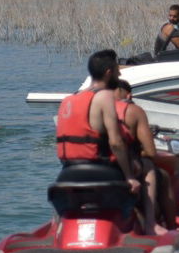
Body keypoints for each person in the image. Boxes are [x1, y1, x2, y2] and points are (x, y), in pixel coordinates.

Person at [55, 50, 143, 218]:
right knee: (146, 173)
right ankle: (150, 225)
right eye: (117, 71)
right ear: (109, 73)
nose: (119, 74)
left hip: (67, 172)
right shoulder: (104, 97)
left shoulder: (69, 100)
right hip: (100, 170)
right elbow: (116, 143)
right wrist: (130, 176)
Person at [114, 80, 178, 232]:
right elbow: (151, 152)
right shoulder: (133, 110)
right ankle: (168, 227)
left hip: (98, 165)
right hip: (126, 167)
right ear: (129, 95)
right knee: (161, 174)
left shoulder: (95, 109)